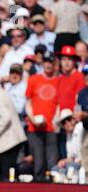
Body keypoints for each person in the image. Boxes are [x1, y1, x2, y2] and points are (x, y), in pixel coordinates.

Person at [25, 51, 60, 181]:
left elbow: (58, 104)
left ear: (54, 64)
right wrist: (33, 119)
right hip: (34, 128)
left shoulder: (58, 81)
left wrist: (56, 121)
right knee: (38, 164)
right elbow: (28, 103)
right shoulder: (34, 79)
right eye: (46, 61)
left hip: (51, 127)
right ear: (42, 62)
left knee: (52, 164)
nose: (48, 64)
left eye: (50, 61)